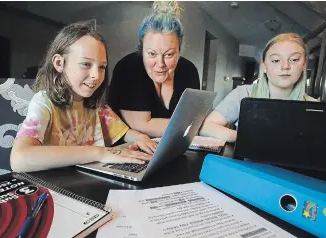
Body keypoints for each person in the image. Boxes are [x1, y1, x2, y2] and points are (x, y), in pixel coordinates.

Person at [11, 20, 157, 173]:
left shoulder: (96, 106)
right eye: (86, 64)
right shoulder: (44, 103)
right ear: (59, 63)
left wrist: (141, 138)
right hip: (57, 185)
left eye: (101, 67)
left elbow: (124, 132)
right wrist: (99, 153)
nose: (96, 75)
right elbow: (19, 159)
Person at [199, 32, 317, 143]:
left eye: (294, 59)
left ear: (304, 64)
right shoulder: (244, 93)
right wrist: (248, 137)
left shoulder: (314, 106)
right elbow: (206, 127)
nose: (285, 66)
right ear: (264, 66)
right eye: (276, 60)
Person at [107, 1, 200, 138]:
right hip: (130, 150)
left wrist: (194, 126)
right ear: (142, 49)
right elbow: (142, 125)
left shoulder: (189, 70)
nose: (160, 63)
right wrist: (195, 127)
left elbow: (193, 120)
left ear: (179, 52)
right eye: (152, 54)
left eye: (168, 54)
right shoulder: (128, 67)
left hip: (176, 148)